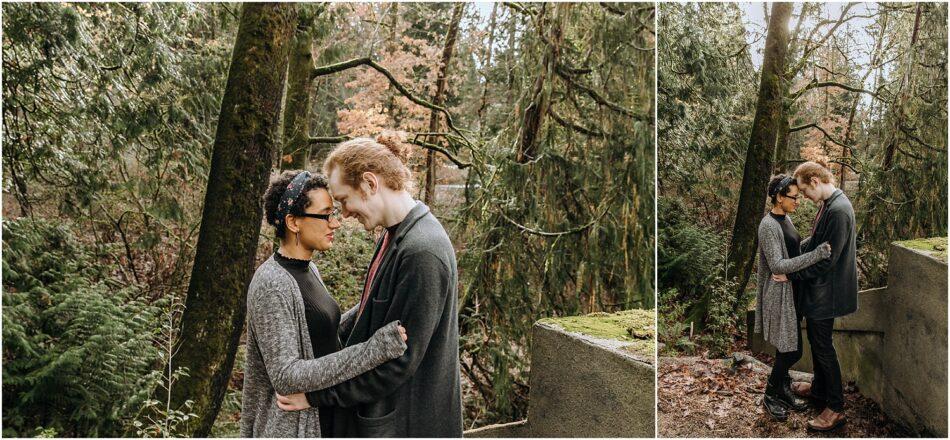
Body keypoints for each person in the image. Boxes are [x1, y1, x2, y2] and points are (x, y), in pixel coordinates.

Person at [275, 132, 463, 437]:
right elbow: (371, 312)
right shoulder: (393, 236)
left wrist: (316, 396)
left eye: (344, 201)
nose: (344, 214)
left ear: (370, 183)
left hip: (407, 425)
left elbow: (398, 363)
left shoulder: (423, 251)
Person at [241, 170, 409, 437]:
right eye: (325, 215)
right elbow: (287, 376)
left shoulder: (309, 270)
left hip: (324, 420)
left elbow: (320, 335)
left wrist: (377, 302)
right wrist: (373, 350)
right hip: (291, 430)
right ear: (293, 222)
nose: (335, 224)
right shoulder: (272, 283)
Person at [779, 160, 858, 432]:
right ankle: (819, 390)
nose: (804, 197)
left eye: (804, 191)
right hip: (821, 290)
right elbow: (816, 244)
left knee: (823, 347)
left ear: (815, 181)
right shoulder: (829, 204)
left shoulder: (839, 211)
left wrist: (790, 274)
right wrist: (793, 252)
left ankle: (835, 408)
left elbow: (827, 261)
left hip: (829, 293)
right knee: (817, 341)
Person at [754, 174, 831, 422]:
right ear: (778, 197)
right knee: (792, 351)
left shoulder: (785, 218)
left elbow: (793, 249)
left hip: (791, 292)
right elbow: (778, 265)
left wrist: (814, 241)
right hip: (778, 294)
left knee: (785, 347)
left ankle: (784, 390)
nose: (798, 201)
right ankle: (770, 393)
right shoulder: (768, 226)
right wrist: (817, 254)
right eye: (793, 197)